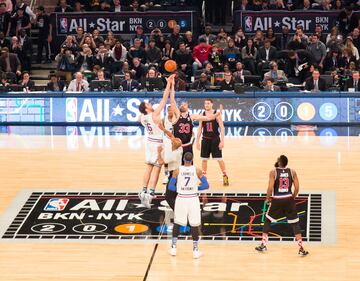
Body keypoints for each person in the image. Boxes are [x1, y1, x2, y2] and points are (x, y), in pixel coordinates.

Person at [255, 155, 309, 256]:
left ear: (279, 162)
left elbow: (270, 187)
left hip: (277, 199)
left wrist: (267, 198)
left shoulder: (273, 172)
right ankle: (301, 248)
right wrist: (293, 196)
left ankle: (263, 244)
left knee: (268, 220)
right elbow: (297, 187)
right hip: (289, 199)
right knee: (295, 224)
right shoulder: (292, 172)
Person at [138, 74, 175, 208]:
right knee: (156, 169)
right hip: (158, 143)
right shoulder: (154, 114)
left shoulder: (142, 117)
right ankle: (151, 193)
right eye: (148, 104)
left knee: (148, 167)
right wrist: (169, 84)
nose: (150, 104)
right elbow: (165, 99)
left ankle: (143, 190)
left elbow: (139, 116)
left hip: (149, 142)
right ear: (146, 108)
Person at [168, 152, 209, 259]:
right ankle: (195, 251)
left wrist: (180, 189)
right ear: (192, 160)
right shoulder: (197, 170)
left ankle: (173, 248)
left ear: (183, 159)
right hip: (193, 199)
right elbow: (206, 185)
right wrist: (196, 189)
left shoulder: (177, 171)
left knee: (177, 223)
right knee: (194, 224)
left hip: (181, 198)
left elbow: (171, 187)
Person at [196, 98, 229, 186]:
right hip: (205, 139)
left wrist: (222, 141)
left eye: (208, 103)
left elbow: (222, 127)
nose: (206, 105)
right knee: (204, 160)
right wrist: (197, 141)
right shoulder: (201, 114)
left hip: (215, 139)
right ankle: (204, 179)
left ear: (212, 104)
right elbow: (199, 129)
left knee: (219, 159)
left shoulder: (216, 114)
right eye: (205, 103)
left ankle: (225, 176)